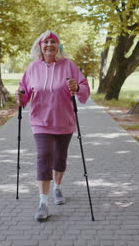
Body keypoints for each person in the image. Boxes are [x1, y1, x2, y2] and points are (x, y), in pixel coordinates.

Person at [16, 30, 90, 222]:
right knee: (44, 157)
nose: (49, 45)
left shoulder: (69, 66)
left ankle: (57, 188)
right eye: (45, 42)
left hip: (64, 121)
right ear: (40, 46)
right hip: (40, 122)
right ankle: (43, 203)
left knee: (60, 157)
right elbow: (24, 94)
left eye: (53, 42)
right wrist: (20, 97)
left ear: (58, 46)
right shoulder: (33, 68)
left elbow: (84, 89)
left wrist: (78, 88)